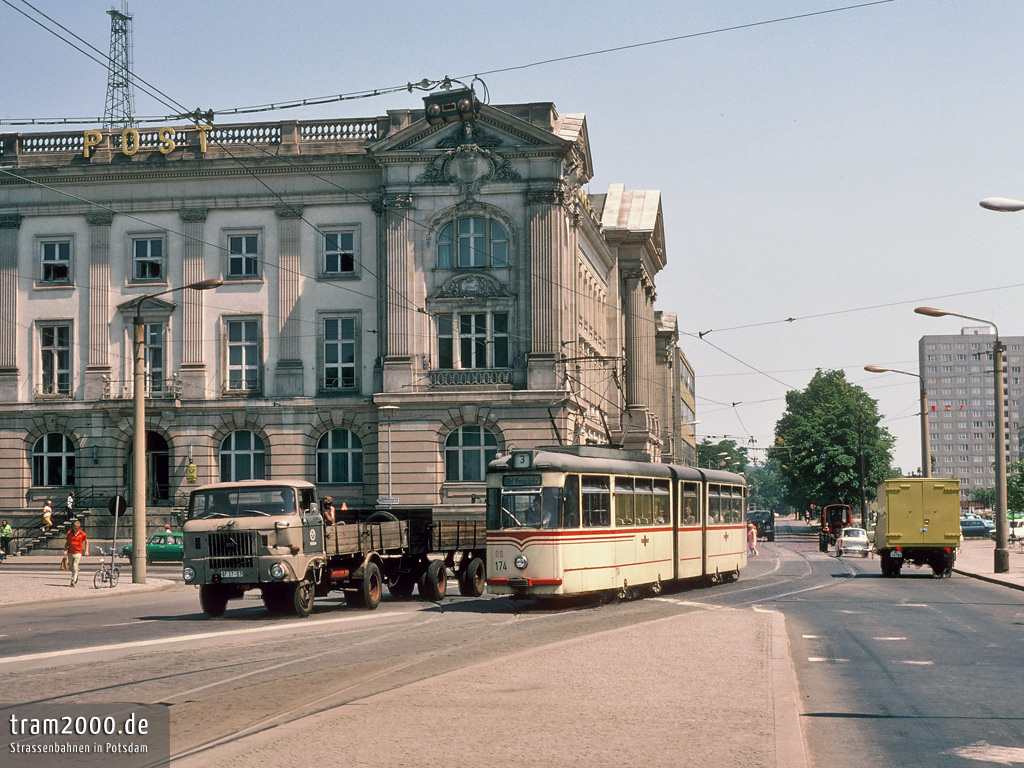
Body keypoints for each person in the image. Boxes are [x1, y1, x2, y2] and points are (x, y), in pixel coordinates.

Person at [64, 519, 89, 587]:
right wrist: (65, 550)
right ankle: (76, 575)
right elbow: (67, 542)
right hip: (70, 552)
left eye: (76, 528)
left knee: (75, 567)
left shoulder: (82, 534)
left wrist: (86, 551)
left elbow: (86, 542)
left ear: (79, 528)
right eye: (74, 528)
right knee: (71, 568)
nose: (75, 529)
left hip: (78, 552)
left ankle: (73, 582)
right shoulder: (69, 533)